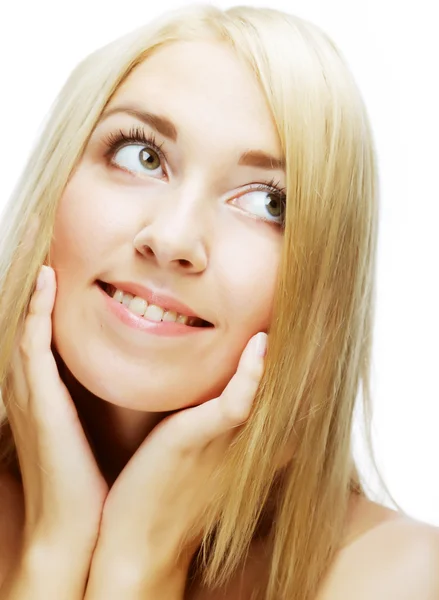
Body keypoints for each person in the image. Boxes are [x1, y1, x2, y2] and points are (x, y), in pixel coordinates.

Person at [0, 4, 437, 599]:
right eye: (142, 156)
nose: (173, 239)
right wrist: (54, 548)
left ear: (325, 292)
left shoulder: (397, 576)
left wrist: (140, 565)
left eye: (267, 202)